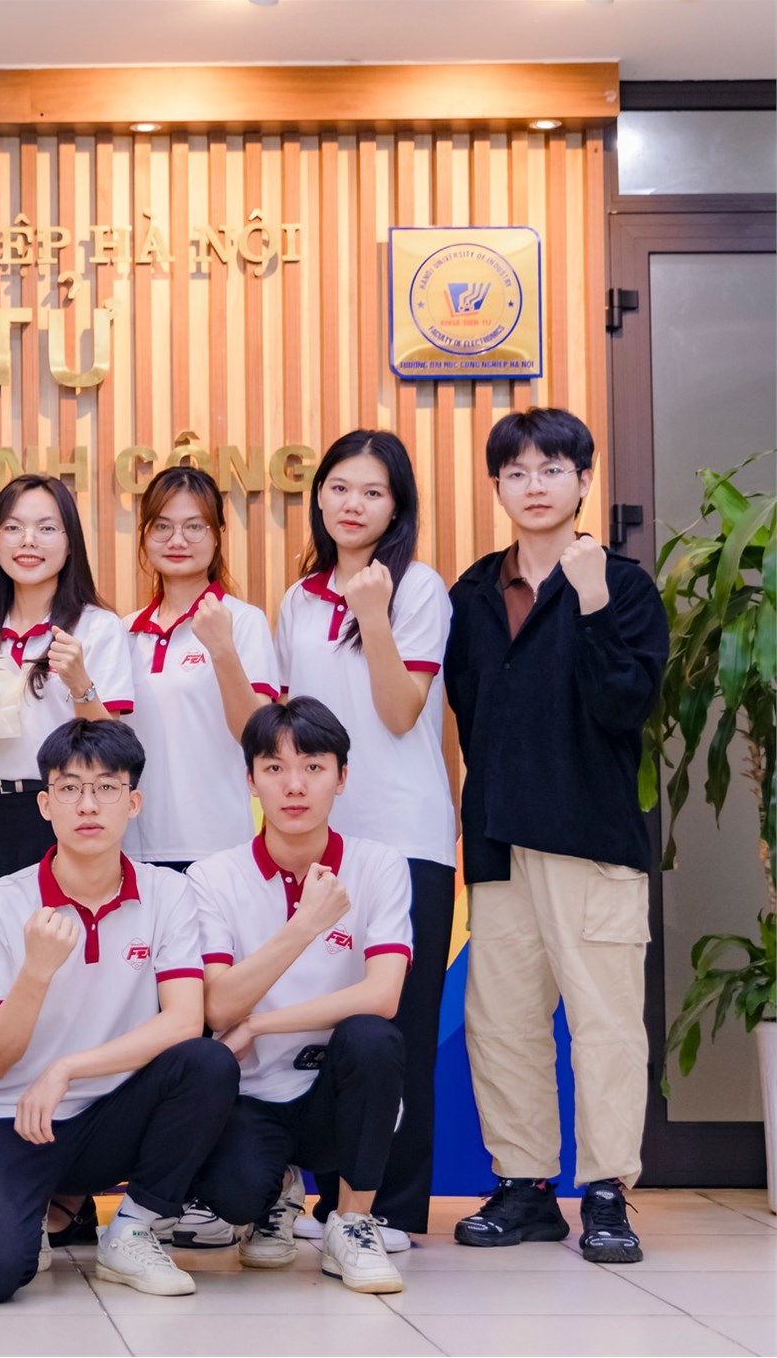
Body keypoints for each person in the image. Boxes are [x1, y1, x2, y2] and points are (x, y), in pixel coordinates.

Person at [444, 408, 665, 1265]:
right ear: (496, 486)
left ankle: (606, 1190)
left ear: (584, 479)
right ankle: (526, 1186)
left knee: (606, 1024)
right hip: (500, 839)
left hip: (592, 839)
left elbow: (625, 705)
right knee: (502, 1022)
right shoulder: (472, 592)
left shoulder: (624, 586)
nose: (534, 485)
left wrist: (595, 603)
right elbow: (470, 713)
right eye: (517, 472)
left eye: (552, 469)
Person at [0, 719, 237, 1304]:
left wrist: (67, 1069)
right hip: (10, 1115)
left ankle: (132, 1230)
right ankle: (42, 1207)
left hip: (111, 1113)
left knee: (207, 1063)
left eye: (107, 788)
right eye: (70, 788)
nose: (88, 805)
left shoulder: (168, 893)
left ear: (133, 803)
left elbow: (185, 1020)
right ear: (44, 804)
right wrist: (36, 971)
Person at [274, 430, 453, 1244]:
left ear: (397, 505)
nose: (353, 504)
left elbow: (400, 710)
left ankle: (393, 1206)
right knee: (326, 1022)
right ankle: (331, 1199)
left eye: (373, 491)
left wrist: (372, 613)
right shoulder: (298, 598)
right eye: (340, 487)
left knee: (400, 1028)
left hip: (406, 836)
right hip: (321, 841)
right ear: (319, 495)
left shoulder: (419, 588)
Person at [188, 697, 413, 1295]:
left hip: (336, 1098)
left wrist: (261, 1025)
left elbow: (384, 994)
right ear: (250, 781)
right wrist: (306, 924)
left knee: (372, 1037)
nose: (294, 786)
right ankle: (276, 1194)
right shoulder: (213, 876)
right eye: (274, 768)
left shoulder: (379, 865)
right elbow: (218, 1007)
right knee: (231, 1196)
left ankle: (353, 1222)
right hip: (254, 1094)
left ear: (342, 777)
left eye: (313, 767)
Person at [0, 473, 134, 905]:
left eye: (47, 528)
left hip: (70, 813)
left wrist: (81, 685)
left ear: (71, 544)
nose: (28, 541)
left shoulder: (98, 628)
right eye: (13, 527)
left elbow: (114, 751)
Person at [119, 465, 278, 870]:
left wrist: (222, 649)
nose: (177, 540)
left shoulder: (243, 621)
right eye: (162, 527)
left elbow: (256, 736)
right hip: (133, 847)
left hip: (217, 846)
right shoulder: (125, 631)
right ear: (144, 534)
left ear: (218, 534)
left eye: (194, 527)